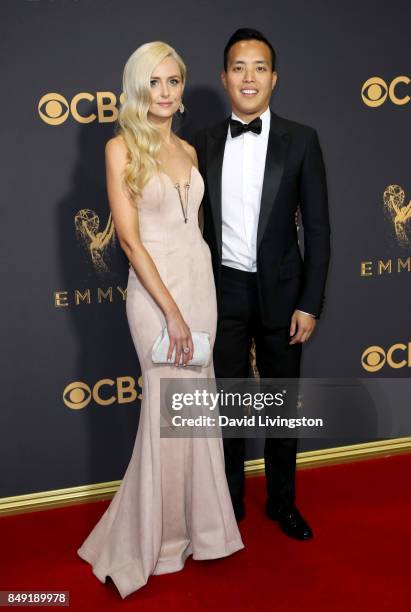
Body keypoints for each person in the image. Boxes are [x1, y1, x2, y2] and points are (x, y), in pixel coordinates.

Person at [77, 41, 244, 599]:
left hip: (200, 288)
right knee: (165, 413)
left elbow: (194, 231)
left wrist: (193, 302)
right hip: (156, 297)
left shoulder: (189, 151)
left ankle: (202, 531)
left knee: (196, 412)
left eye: (174, 82)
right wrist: (170, 311)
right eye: (156, 82)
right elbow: (128, 238)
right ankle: (158, 539)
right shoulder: (120, 148)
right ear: (136, 87)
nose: (167, 92)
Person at [192, 28, 331, 539]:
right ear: (224, 76)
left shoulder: (302, 140)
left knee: (280, 408)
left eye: (258, 68)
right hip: (221, 292)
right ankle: (227, 504)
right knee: (225, 406)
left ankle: (281, 502)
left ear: (274, 78)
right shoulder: (200, 142)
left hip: (283, 295)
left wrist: (310, 302)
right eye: (238, 67)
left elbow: (317, 229)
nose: (248, 77)